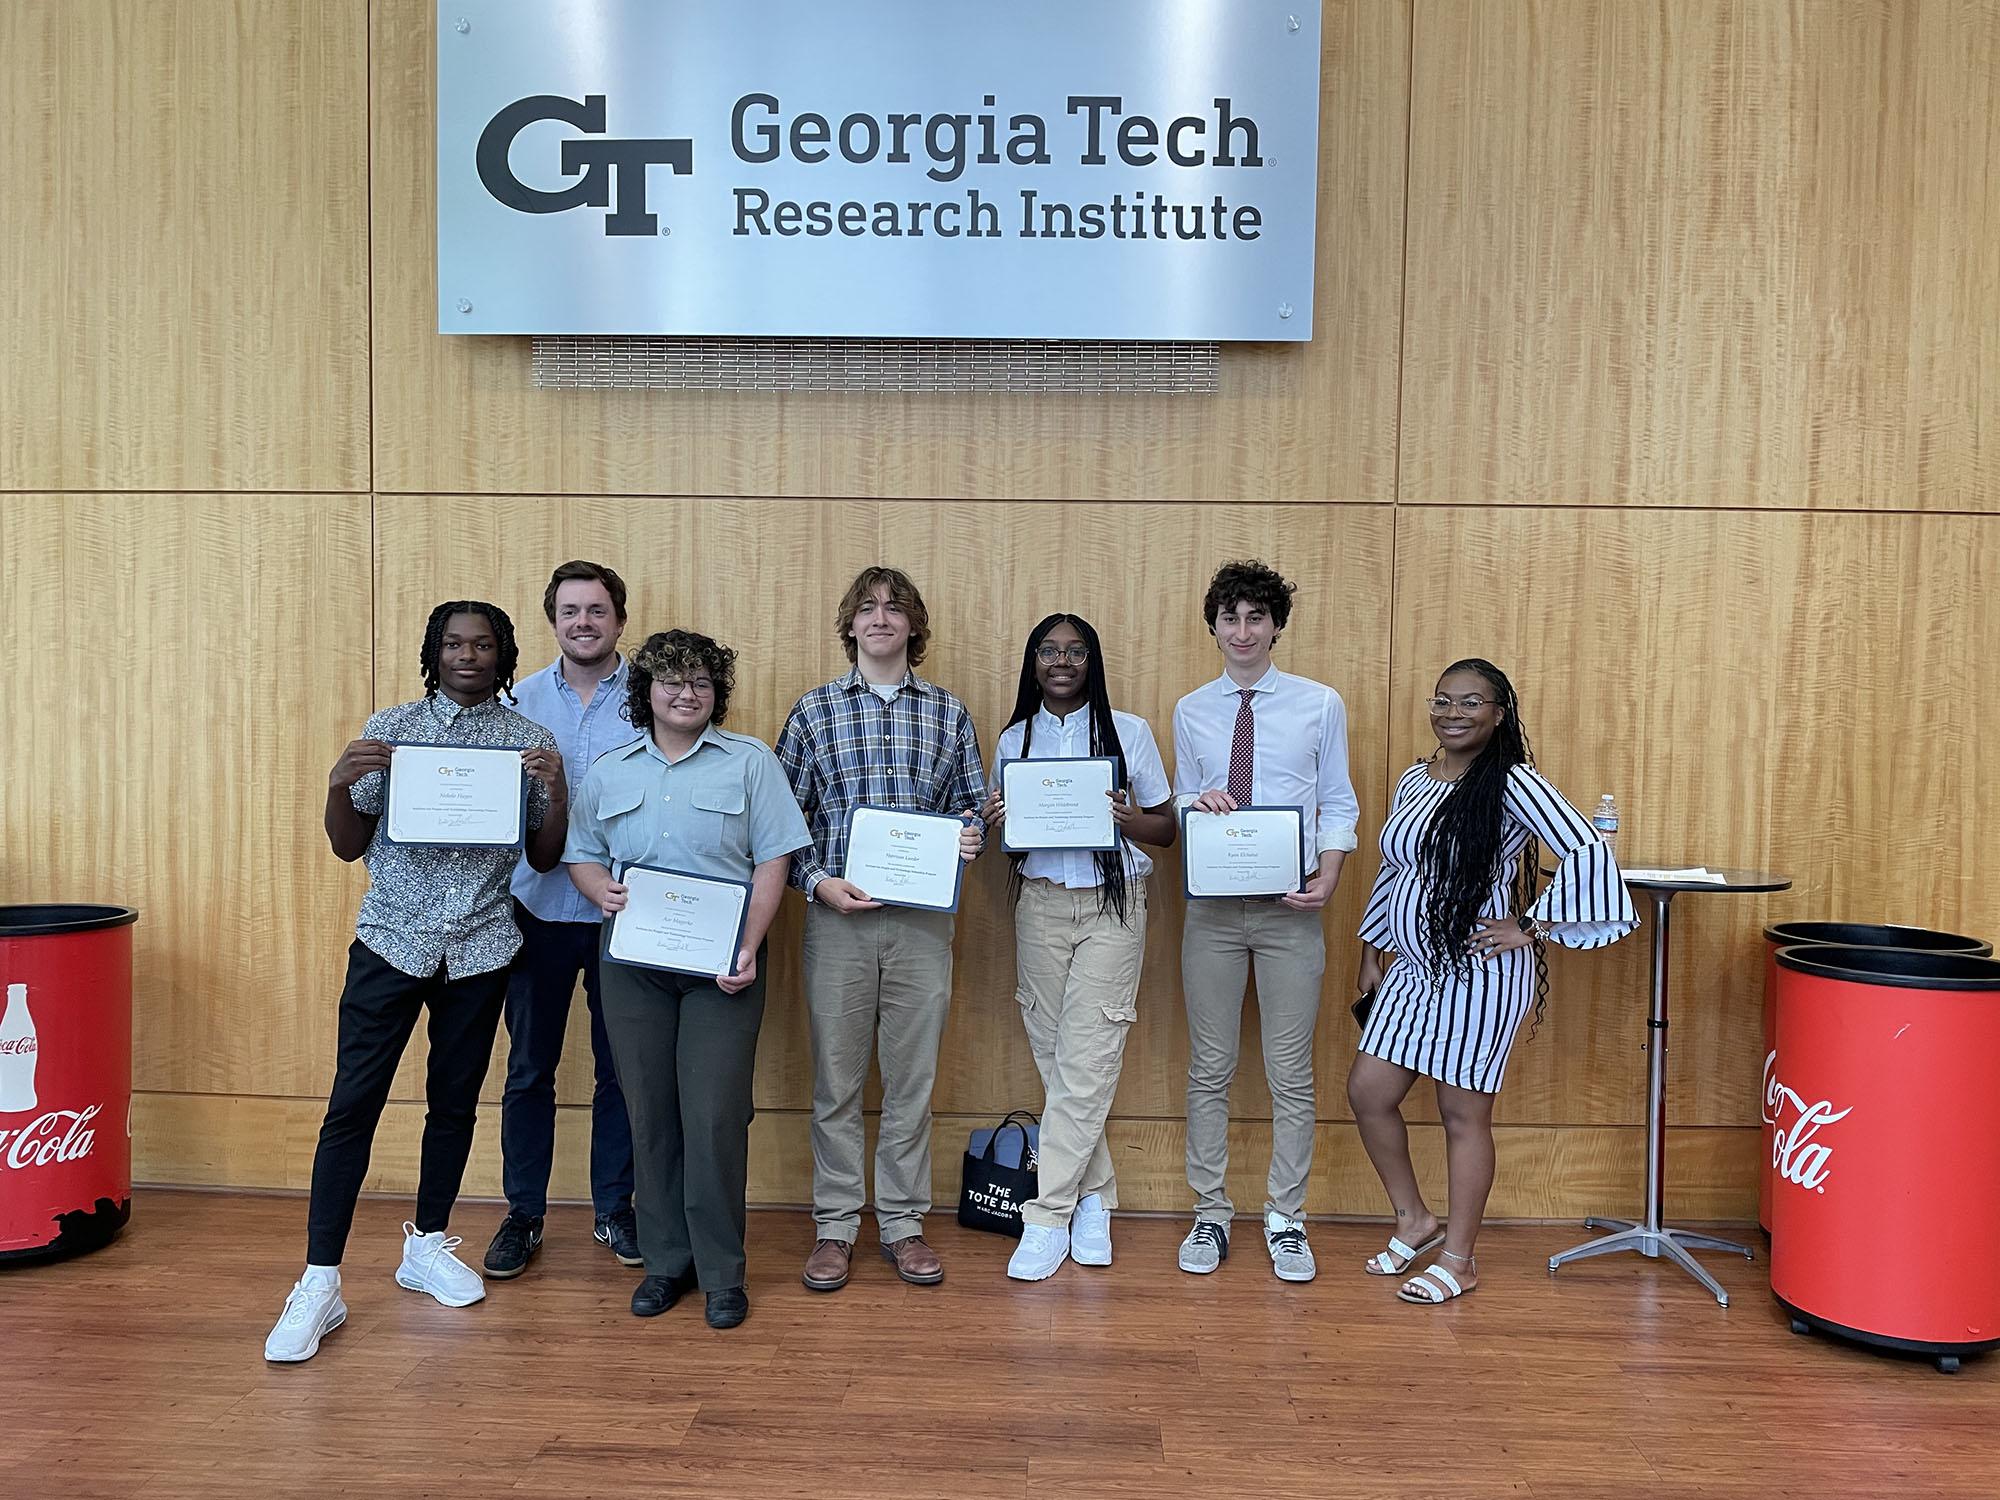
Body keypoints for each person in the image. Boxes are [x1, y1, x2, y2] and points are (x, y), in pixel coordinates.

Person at [264, 602, 565, 1363]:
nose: (469, 655)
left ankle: (426, 1244)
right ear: (434, 653)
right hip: (391, 942)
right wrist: (339, 783)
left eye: (484, 644)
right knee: (351, 1106)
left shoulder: (530, 742)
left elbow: (544, 858)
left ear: (503, 655)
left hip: (482, 948)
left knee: (453, 1103)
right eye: (454, 644)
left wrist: (555, 789)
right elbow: (347, 844)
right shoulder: (390, 728)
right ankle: (319, 1281)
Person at [1349, 659, 1637, 1303]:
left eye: (1471, 702)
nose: (1453, 713)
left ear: (1499, 714)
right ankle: (1415, 1220)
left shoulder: (1514, 782)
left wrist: (1529, 926)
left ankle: (1460, 1258)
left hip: (1478, 972)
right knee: (1369, 1093)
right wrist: (1371, 951)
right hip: (1412, 969)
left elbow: (1589, 848)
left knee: (1461, 1113)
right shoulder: (1415, 781)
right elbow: (1396, 870)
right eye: (1443, 701)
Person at [565, 631, 811, 1329]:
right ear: (646, 692)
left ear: (716, 692)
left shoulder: (750, 762)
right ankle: (666, 1263)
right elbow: (583, 853)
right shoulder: (613, 771)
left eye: (700, 681)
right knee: (650, 1115)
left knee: (713, 1117)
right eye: (671, 681)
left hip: (721, 966)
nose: (686, 692)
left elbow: (774, 861)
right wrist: (596, 892)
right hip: (633, 966)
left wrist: (750, 947)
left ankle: (722, 1272)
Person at [775, 566, 986, 1292]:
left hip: (923, 927)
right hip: (838, 921)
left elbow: (972, 808)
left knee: (911, 1083)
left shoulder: (949, 714)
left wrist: (967, 838)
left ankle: (900, 1222)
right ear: (851, 624)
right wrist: (817, 883)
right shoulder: (813, 712)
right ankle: (836, 1225)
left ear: (913, 626)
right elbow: (783, 822)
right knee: (836, 1082)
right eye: (866, 608)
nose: (881, 619)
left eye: (894, 609)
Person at [1172, 560, 1359, 1283]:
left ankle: (1287, 1219)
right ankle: (1210, 1214)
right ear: (1214, 626)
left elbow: (1338, 802)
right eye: (1230, 618)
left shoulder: (1319, 704)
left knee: (1290, 1074)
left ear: (1276, 625)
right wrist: (1201, 802)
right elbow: (1182, 800)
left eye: (1256, 617)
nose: (1242, 631)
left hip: (1291, 912)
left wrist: (1331, 872)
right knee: (1209, 1070)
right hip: (1213, 913)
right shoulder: (1191, 710)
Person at [981, 614, 1175, 1282]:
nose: (1062, 660)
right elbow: (1013, 835)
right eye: (1048, 651)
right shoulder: (1014, 738)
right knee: (1057, 1056)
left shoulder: (1131, 731)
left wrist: (1127, 818)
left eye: (1075, 651)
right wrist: (1002, 823)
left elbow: (1167, 830)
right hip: (1038, 903)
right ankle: (1095, 1197)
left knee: (1089, 1058)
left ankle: (1047, 1217)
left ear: (1091, 661)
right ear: (1033, 663)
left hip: (1111, 905)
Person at [485, 561, 642, 1280]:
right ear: (553, 620)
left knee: (624, 1071)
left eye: (597, 610)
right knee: (528, 1070)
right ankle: (524, 1213)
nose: (584, 621)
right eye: (570, 610)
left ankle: (616, 1208)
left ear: (619, 618)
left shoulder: (653, 695)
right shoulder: (514, 700)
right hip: (536, 908)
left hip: (628, 910)